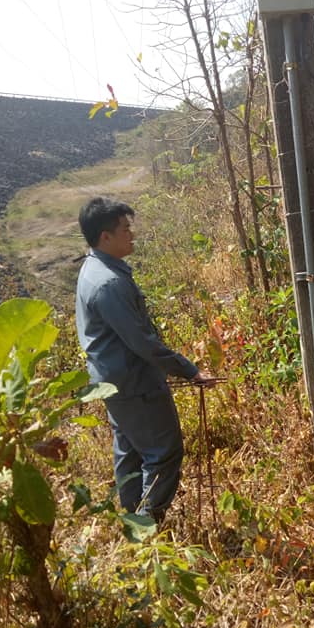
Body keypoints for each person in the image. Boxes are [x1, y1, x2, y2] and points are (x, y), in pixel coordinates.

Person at [75, 197, 215, 521]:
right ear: (105, 237)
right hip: (135, 384)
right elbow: (142, 343)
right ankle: (147, 523)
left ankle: (133, 520)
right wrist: (189, 370)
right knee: (164, 453)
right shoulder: (108, 283)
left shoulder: (93, 269)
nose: (132, 234)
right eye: (125, 229)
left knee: (130, 452)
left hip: (114, 383)